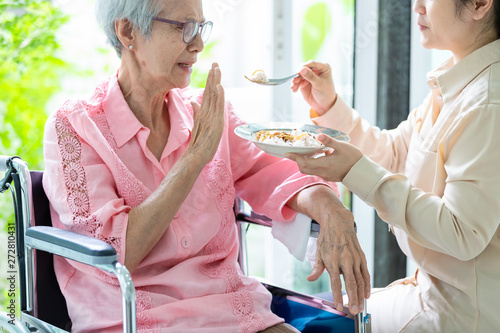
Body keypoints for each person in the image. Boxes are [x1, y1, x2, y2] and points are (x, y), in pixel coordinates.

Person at [42, 0, 370, 332]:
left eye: (200, 27)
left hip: (234, 311)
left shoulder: (205, 112)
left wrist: (330, 209)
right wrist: (194, 159)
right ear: (128, 31)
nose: (198, 44)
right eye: (182, 27)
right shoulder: (74, 127)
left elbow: (273, 171)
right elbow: (117, 253)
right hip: (135, 319)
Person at [287, 0, 500, 331]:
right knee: (316, 319)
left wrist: (354, 172)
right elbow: (396, 154)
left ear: (478, 4)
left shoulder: (488, 102)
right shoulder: (459, 80)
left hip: (461, 315)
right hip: (431, 294)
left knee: (314, 324)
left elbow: (462, 232)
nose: (416, 6)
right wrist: (329, 105)